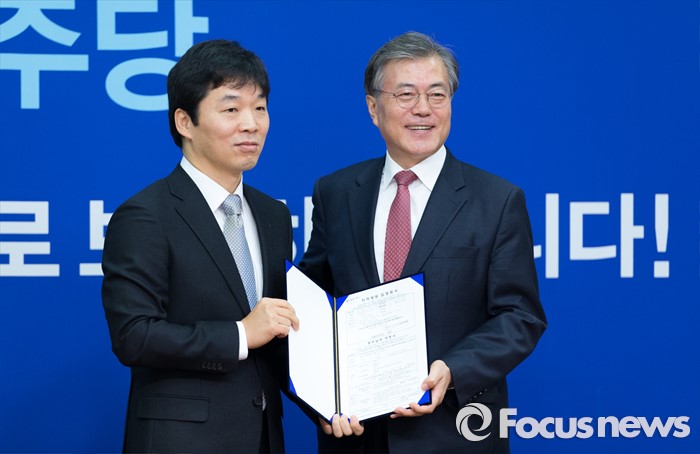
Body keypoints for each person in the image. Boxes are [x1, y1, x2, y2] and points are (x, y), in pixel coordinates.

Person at [298, 31, 547, 453]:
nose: (423, 109)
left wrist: (454, 369)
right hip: (357, 437)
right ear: (373, 107)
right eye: (406, 94)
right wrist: (321, 401)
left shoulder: (497, 200)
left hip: (455, 434)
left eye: (437, 94)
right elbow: (312, 303)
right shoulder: (336, 192)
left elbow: (520, 316)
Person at [101, 39, 299, 454]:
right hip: (180, 441)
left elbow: (278, 330)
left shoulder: (273, 215)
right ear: (184, 122)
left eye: (260, 107)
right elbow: (134, 336)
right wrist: (240, 335)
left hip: (263, 438)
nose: (251, 124)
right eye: (231, 109)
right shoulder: (146, 215)